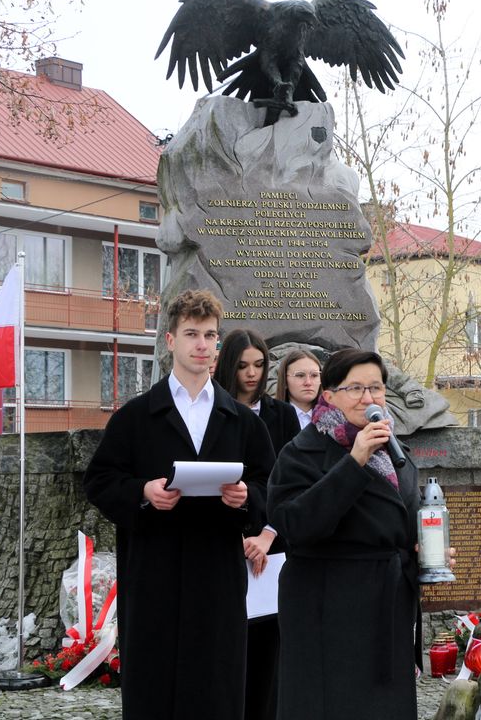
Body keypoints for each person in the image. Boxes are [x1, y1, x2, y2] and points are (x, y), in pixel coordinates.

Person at [83, 290, 274, 719]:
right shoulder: (135, 417)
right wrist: (142, 492)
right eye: (191, 334)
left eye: (210, 335)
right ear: (170, 340)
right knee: (154, 681)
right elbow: (99, 480)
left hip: (218, 575)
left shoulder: (242, 421)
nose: (202, 344)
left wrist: (246, 498)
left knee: (216, 683)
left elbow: (270, 485)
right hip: (154, 572)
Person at [268, 348, 421, 719]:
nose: (369, 399)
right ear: (329, 395)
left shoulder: (396, 452)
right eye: (356, 388)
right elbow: (293, 524)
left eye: (376, 388)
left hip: (385, 609)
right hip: (327, 611)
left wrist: (425, 555)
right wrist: (354, 463)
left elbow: (402, 526)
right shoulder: (302, 451)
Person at [214, 328, 300, 720]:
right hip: (224, 542)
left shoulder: (281, 415)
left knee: (268, 647)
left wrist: (267, 535)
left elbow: (293, 483)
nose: (252, 373)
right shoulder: (213, 413)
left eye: (260, 365)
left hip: (273, 545)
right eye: (243, 365)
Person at [275, 349, 322, 429]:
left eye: (314, 375)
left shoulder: (335, 419)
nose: (308, 382)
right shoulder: (270, 419)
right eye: (300, 375)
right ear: (285, 380)